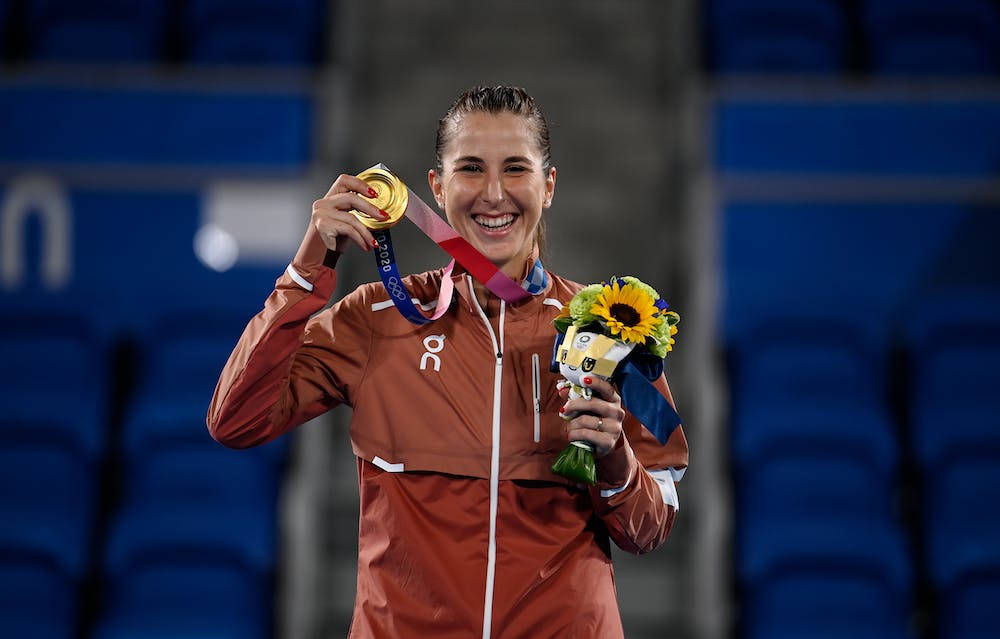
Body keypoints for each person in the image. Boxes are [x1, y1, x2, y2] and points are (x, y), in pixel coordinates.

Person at [208, 85, 688, 638]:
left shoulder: (616, 331)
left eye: (515, 168)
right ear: (436, 188)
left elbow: (653, 527)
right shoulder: (375, 317)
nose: (492, 193)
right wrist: (305, 272)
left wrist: (615, 463)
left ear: (547, 185)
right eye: (469, 169)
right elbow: (235, 420)